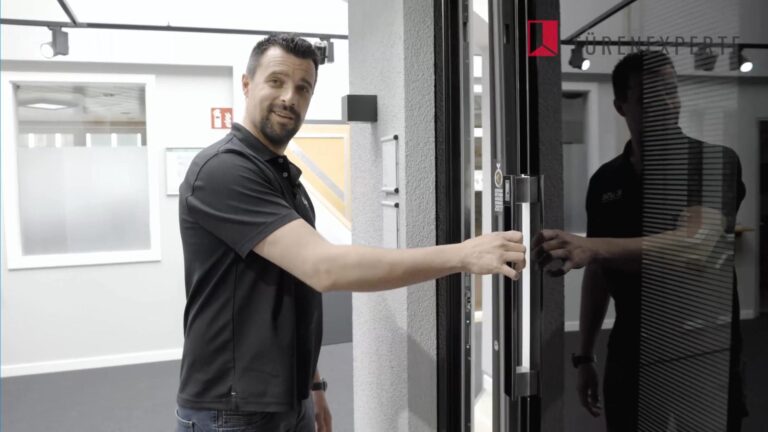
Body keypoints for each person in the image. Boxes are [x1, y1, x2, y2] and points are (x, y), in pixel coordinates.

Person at [174, 34, 527, 432]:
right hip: (230, 409)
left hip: (285, 397)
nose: (290, 97)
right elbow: (324, 269)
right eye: (276, 81)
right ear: (246, 84)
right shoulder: (223, 170)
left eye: (303, 88)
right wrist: (463, 255)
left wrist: (312, 384)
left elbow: (293, 286)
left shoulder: (280, 176)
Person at [534, 50, 746, 431]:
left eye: (671, 91)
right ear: (621, 106)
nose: (667, 103)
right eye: (650, 95)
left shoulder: (713, 161)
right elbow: (598, 273)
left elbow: (696, 245)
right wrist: (584, 357)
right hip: (633, 347)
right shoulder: (605, 181)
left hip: (702, 348)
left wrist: (593, 247)